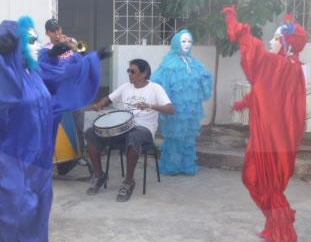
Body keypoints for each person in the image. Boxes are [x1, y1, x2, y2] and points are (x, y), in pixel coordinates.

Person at [0, 15, 104, 242]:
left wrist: (89, 58)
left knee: (36, 209)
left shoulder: (36, 71)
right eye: (29, 41)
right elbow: (0, 92)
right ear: (15, 45)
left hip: (40, 156)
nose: (36, 45)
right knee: (10, 209)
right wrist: (2, 50)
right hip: (11, 155)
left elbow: (63, 74)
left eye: (35, 40)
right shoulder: (3, 72)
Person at [224, 6, 308, 242]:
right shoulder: (283, 67)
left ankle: (282, 234)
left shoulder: (285, 67)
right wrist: (246, 102)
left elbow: (256, 54)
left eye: (275, 38)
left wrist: (238, 27)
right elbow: (265, 92)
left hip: (273, 140)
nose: (270, 42)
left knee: (264, 182)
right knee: (253, 178)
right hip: (267, 136)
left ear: (288, 44)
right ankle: (274, 223)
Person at [86, 59, 176, 202]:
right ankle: (99, 175)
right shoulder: (126, 87)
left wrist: (151, 106)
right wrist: (99, 105)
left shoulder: (155, 88)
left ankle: (129, 182)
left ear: (144, 73)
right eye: (128, 71)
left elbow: (171, 109)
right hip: (123, 129)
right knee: (91, 132)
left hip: (143, 130)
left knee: (134, 136)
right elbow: (109, 99)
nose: (129, 74)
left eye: (132, 71)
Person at [150, 29, 213, 175]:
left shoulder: (195, 63)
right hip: (175, 108)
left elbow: (204, 82)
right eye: (183, 41)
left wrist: (205, 79)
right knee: (174, 137)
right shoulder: (169, 63)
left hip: (191, 110)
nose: (187, 44)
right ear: (176, 42)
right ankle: (172, 165)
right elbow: (158, 83)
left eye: (189, 41)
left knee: (189, 137)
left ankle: (187, 164)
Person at [41, 18, 83, 175]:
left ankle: (80, 155)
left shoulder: (71, 42)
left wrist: (72, 45)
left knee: (78, 123)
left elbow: (83, 53)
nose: (57, 33)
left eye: (58, 29)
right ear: (47, 33)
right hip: (58, 93)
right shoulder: (46, 49)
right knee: (63, 126)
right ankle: (62, 158)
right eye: (53, 31)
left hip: (74, 90)